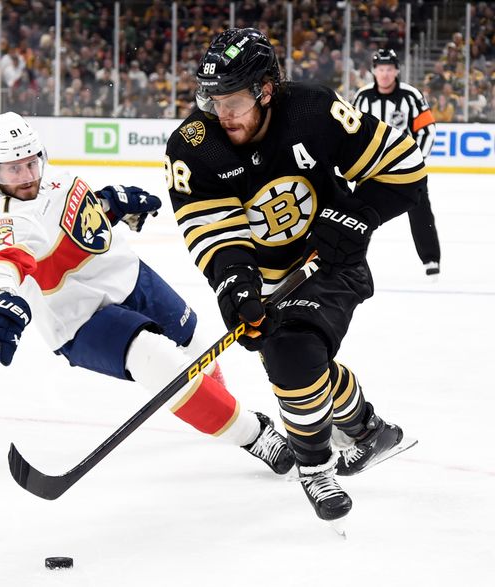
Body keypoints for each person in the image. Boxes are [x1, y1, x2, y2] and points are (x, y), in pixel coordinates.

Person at [165, 29, 425, 522]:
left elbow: (404, 168)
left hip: (328, 261)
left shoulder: (313, 111)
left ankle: (314, 466)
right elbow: (214, 233)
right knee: (304, 371)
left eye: (233, 100)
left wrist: (354, 216)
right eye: (211, 99)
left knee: (293, 356)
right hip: (264, 278)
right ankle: (371, 431)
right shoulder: (194, 146)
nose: (221, 114)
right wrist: (236, 288)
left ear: (265, 90)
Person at [0, 111, 295, 476]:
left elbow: (78, 218)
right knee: (156, 360)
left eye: (31, 162)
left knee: (197, 345)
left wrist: (112, 204)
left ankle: (218, 406)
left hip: (131, 277)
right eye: (13, 169)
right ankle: (252, 434)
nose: (27, 177)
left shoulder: (54, 179)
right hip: (80, 318)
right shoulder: (2, 219)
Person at [353, 48, 441, 277]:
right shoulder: (362, 97)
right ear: (373, 71)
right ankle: (352, 261)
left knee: (421, 211)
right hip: (371, 169)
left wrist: (416, 161)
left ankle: (430, 259)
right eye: (380, 69)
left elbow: (427, 130)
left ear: (397, 70)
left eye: (389, 69)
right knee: (356, 215)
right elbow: (351, 132)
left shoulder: (411, 96)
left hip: (407, 169)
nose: (384, 74)